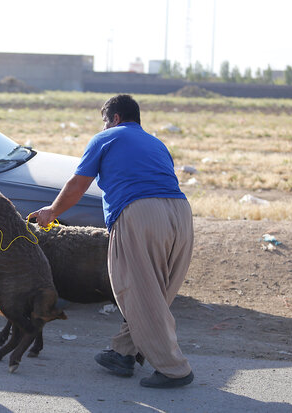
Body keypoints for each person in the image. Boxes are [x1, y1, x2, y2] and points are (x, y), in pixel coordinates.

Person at [29, 94, 194, 388]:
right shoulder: (157, 143)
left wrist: (51, 212)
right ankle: (123, 353)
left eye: (105, 121)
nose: (104, 126)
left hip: (140, 214)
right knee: (157, 291)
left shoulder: (106, 138)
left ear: (115, 118)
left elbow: (78, 184)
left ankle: (174, 369)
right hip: (180, 213)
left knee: (135, 290)